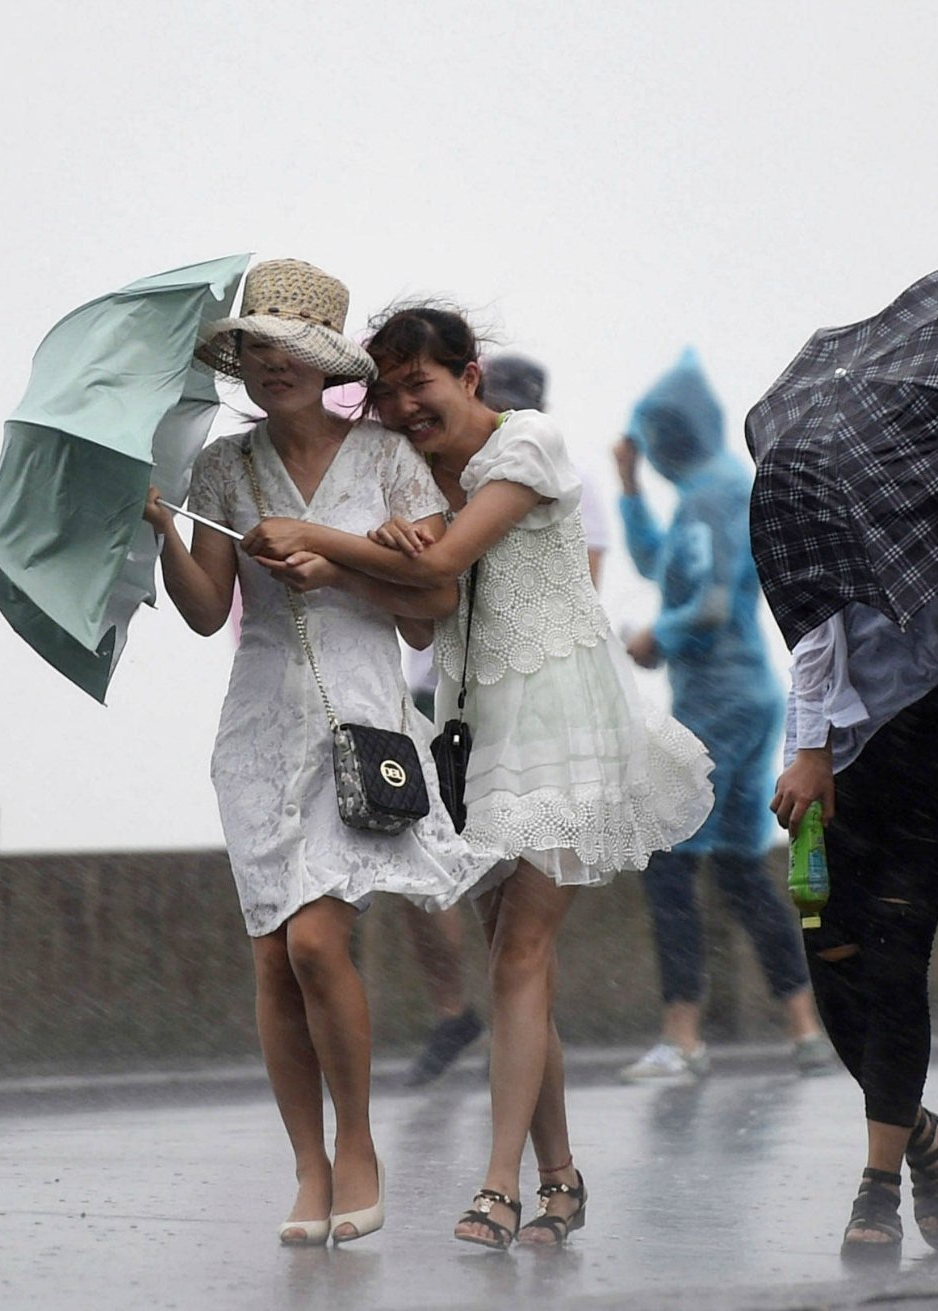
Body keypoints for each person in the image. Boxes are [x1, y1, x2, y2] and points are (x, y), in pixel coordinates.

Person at [243, 303, 713, 1251]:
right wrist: (339, 572)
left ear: (471, 377)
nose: (404, 403)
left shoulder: (527, 444)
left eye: (421, 382)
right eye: (387, 389)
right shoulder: (413, 477)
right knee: (514, 966)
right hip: (468, 729)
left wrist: (318, 538)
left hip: (559, 720)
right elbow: (425, 616)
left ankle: (498, 1185)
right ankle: (560, 1178)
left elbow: (451, 558)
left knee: (520, 956)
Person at [148, 260, 492, 1246]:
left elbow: (428, 611)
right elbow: (210, 610)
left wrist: (328, 557)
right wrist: (166, 532)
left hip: (359, 721)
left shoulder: (386, 457)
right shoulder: (223, 466)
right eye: (253, 349)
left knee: (313, 941)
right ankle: (307, 1167)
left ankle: (359, 1151)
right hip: (256, 726)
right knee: (271, 959)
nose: (270, 366)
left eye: (290, 348)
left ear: (325, 359)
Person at [395, 352, 610, 1089]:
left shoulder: (542, 460)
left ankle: (515, 1026)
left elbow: (573, 590)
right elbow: (420, 612)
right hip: (442, 699)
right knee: (426, 879)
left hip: (534, 700)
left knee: (519, 938)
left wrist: (330, 552)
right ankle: (464, 1010)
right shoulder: (420, 472)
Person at [613, 349, 828, 1082]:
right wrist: (629, 489)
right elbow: (659, 565)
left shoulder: (712, 494)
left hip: (718, 701)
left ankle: (683, 1034)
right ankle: (804, 1026)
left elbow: (701, 606)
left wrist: (652, 638)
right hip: (747, 697)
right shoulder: (719, 488)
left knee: (669, 861)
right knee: (737, 866)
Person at [769, 599, 938, 1258]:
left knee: (896, 954)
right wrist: (809, 747)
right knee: (831, 957)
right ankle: (923, 1133)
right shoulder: (819, 502)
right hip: (836, 750)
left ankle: (878, 1186)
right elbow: (811, 629)